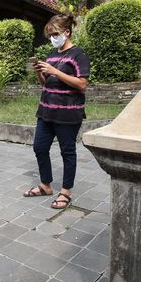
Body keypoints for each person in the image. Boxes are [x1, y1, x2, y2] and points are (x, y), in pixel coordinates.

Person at [24, 13, 89, 209]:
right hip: (46, 111)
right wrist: (40, 73)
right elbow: (46, 84)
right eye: (50, 34)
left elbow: (82, 84)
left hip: (68, 113)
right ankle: (46, 185)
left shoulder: (79, 55)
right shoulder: (51, 55)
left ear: (67, 32)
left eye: (56, 33)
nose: (53, 37)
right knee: (39, 147)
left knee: (67, 151)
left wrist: (55, 71)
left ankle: (66, 192)